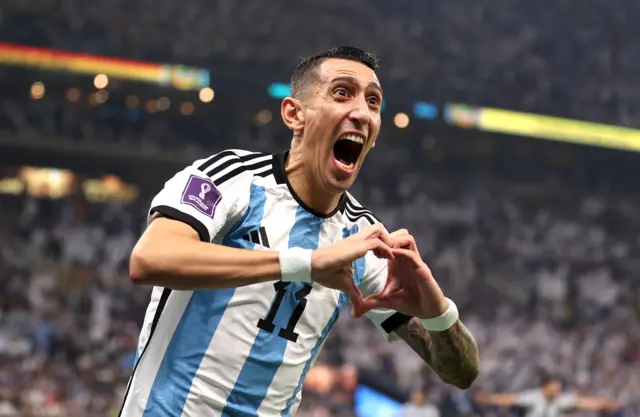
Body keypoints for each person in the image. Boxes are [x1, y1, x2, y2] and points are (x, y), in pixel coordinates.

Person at [120, 46, 479, 417]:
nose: (362, 112)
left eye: (373, 102)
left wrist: (437, 311)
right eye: (342, 93)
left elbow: (461, 372)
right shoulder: (233, 180)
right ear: (294, 114)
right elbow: (150, 259)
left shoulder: (364, 240)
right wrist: (306, 263)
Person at [474, 371, 619, 417]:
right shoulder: (534, 397)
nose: (558, 389)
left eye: (559, 387)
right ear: (545, 386)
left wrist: (604, 403)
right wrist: (488, 399)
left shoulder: (561, 400)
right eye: (555, 386)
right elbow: (509, 399)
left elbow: (582, 402)